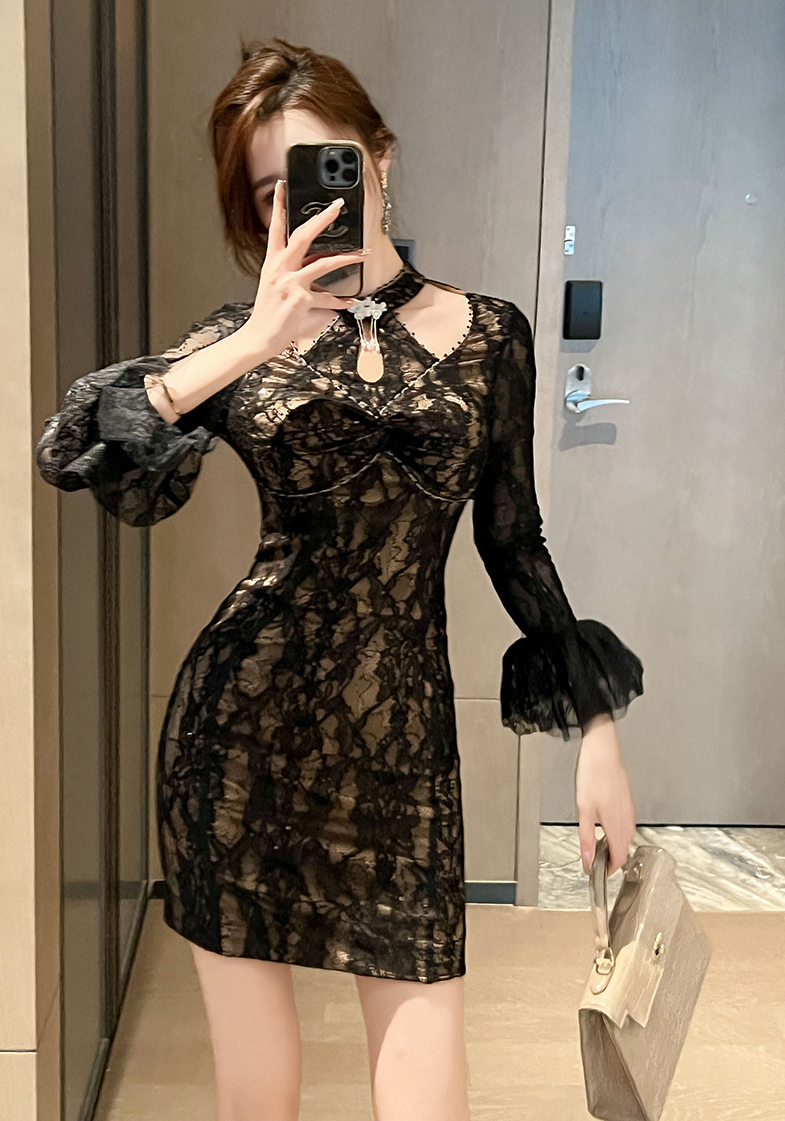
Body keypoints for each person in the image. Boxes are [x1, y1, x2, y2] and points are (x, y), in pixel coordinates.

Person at [35, 37, 643, 1121]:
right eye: (270, 192)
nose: (303, 207)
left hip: (403, 757)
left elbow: (513, 539)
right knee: (259, 1099)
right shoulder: (235, 342)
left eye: (324, 171)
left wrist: (596, 729)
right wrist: (250, 343)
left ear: (380, 159)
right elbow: (75, 446)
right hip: (235, 747)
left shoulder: (490, 335)